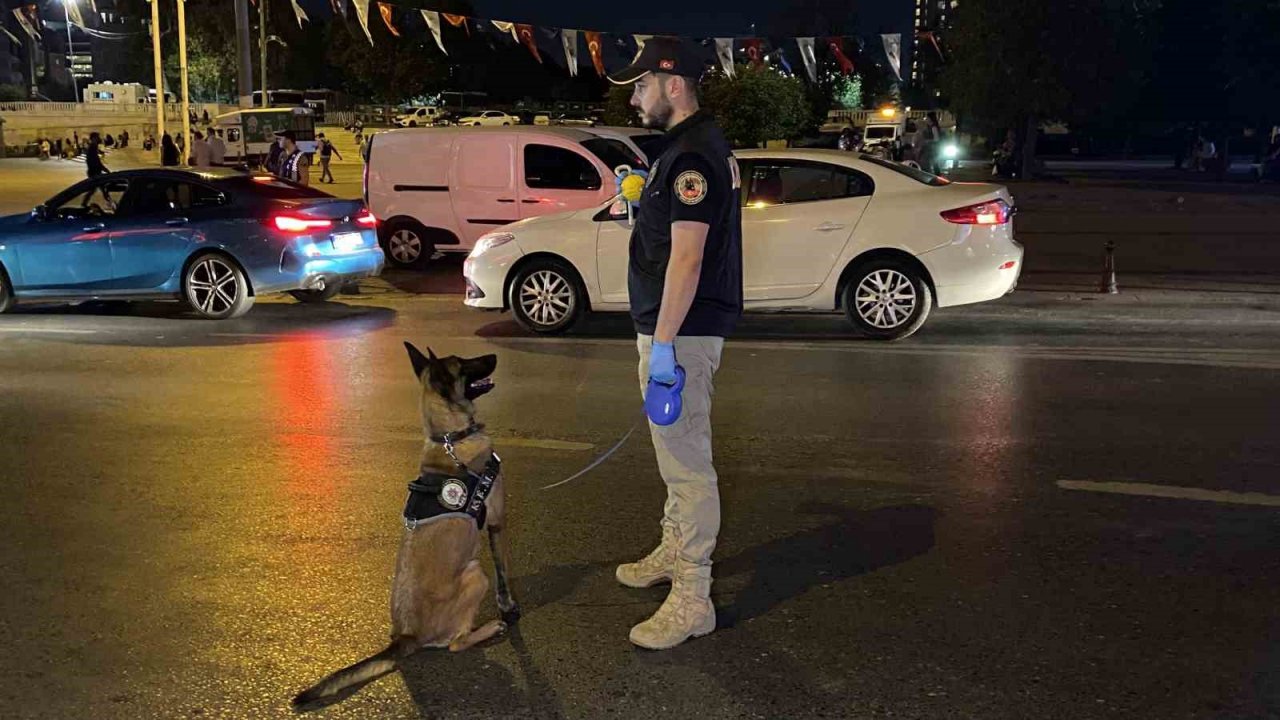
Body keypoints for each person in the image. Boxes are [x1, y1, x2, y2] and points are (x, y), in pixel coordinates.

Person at [607, 37, 743, 651]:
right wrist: (642, 198)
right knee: (674, 460)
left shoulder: (694, 158)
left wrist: (663, 349)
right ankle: (673, 550)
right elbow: (670, 241)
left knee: (688, 469)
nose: (634, 98)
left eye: (639, 86)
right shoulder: (683, 152)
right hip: (671, 331)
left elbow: (687, 263)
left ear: (673, 85)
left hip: (680, 336)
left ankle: (693, 596)